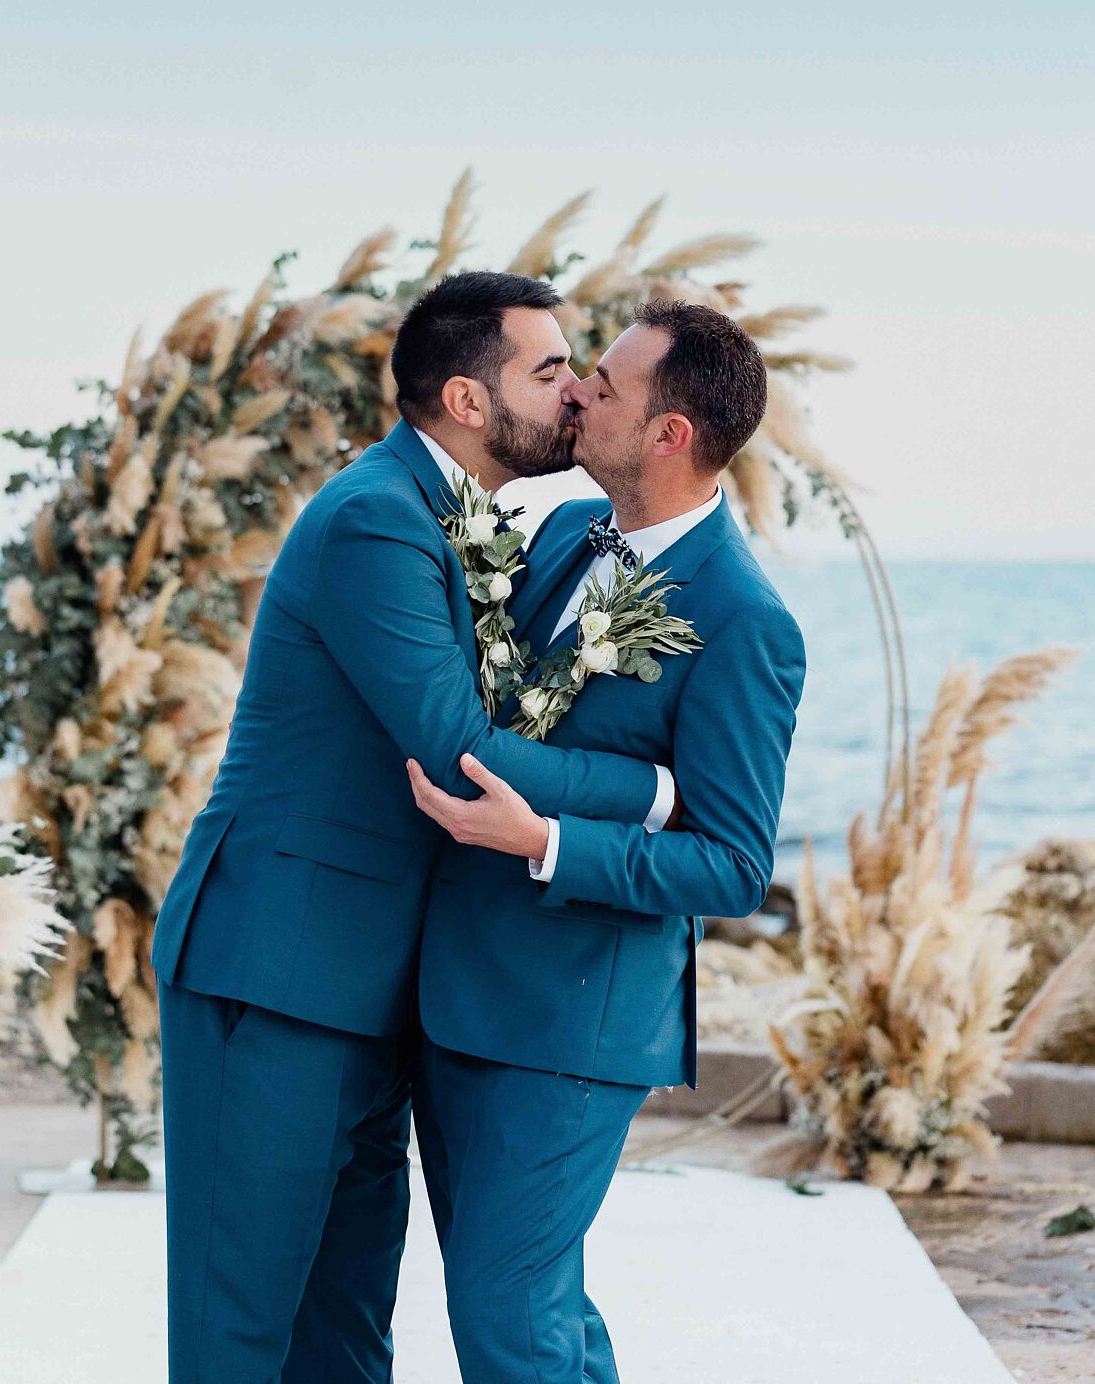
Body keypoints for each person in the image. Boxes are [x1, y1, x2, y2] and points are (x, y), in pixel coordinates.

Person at [151, 271, 677, 1384]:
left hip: (377, 989)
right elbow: (453, 742)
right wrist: (653, 793)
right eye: (547, 369)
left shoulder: (471, 520)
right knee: (238, 1325)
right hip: (275, 967)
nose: (576, 388)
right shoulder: (374, 518)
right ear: (467, 401)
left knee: (344, 1330)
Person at [407, 298, 805, 1384]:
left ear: (668, 435)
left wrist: (547, 837)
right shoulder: (559, 538)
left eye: (608, 386)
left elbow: (730, 862)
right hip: (462, 994)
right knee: (529, 1304)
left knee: (507, 1309)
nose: (577, 391)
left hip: (572, 1020)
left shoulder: (743, 617)